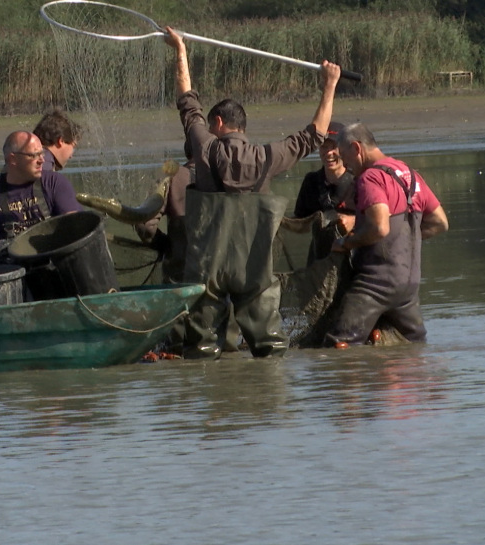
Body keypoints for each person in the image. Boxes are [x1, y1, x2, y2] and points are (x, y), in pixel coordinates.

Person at [164, 26, 341, 359]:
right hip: (254, 267)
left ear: (217, 122)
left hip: (207, 268)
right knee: (270, 348)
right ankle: (268, 405)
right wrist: (330, 84)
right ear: (242, 127)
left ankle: (208, 406)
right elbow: (314, 135)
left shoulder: (204, 147)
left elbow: (188, 103)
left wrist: (180, 50)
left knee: (200, 348)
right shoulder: (267, 157)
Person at [325, 122, 449, 347]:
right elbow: (440, 222)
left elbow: (379, 228)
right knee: (413, 345)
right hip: (408, 287)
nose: (346, 165)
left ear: (357, 148)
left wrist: (347, 243)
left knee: (337, 346)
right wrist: (408, 240)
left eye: (345, 156)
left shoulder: (370, 178)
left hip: (374, 286)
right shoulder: (410, 174)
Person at [293, 120, 356, 264]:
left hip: (353, 259)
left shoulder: (359, 181)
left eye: (333, 147)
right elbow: (299, 221)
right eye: (324, 147)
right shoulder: (311, 181)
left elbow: (378, 220)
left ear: (345, 148)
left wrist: (353, 221)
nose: (329, 153)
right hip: (319, 260)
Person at [134, 140, 194, 284]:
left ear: (187, 152)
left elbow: (143, 224)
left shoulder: (173, 176)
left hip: (180, 279)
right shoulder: (231, 175)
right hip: (223, 283)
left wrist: (170, 246)